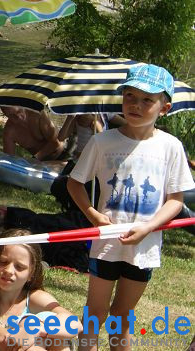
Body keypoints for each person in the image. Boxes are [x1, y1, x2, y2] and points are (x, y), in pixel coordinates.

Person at [67, 64, 194, 351]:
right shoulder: (102, 142)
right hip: (107, 245)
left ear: (164, 108)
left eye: (147, 100)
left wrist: (148, 227)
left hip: (144, 248)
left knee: (121, 318)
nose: (136, 105)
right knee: (94, 314)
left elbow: (176, 200)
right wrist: (94, 215)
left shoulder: (171, 147)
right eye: (130, 96)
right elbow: (74, 184)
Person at [0, 230, 77, 351]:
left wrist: (38, 329)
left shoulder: (35, 297)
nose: (9, 270)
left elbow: (75, 324)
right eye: (3, 262)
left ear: (31, 273)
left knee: (50, 323)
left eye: (19, 267)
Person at [1, 106, 66, 161]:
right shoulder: (9, 132)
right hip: (41, 163)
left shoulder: (38, 115)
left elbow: (55, 143)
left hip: (63, 155)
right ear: (6, 115)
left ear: (23, 106)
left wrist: (33, 159)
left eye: (19, 112)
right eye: (12, 116)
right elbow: (8, 159)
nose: (19, 117)